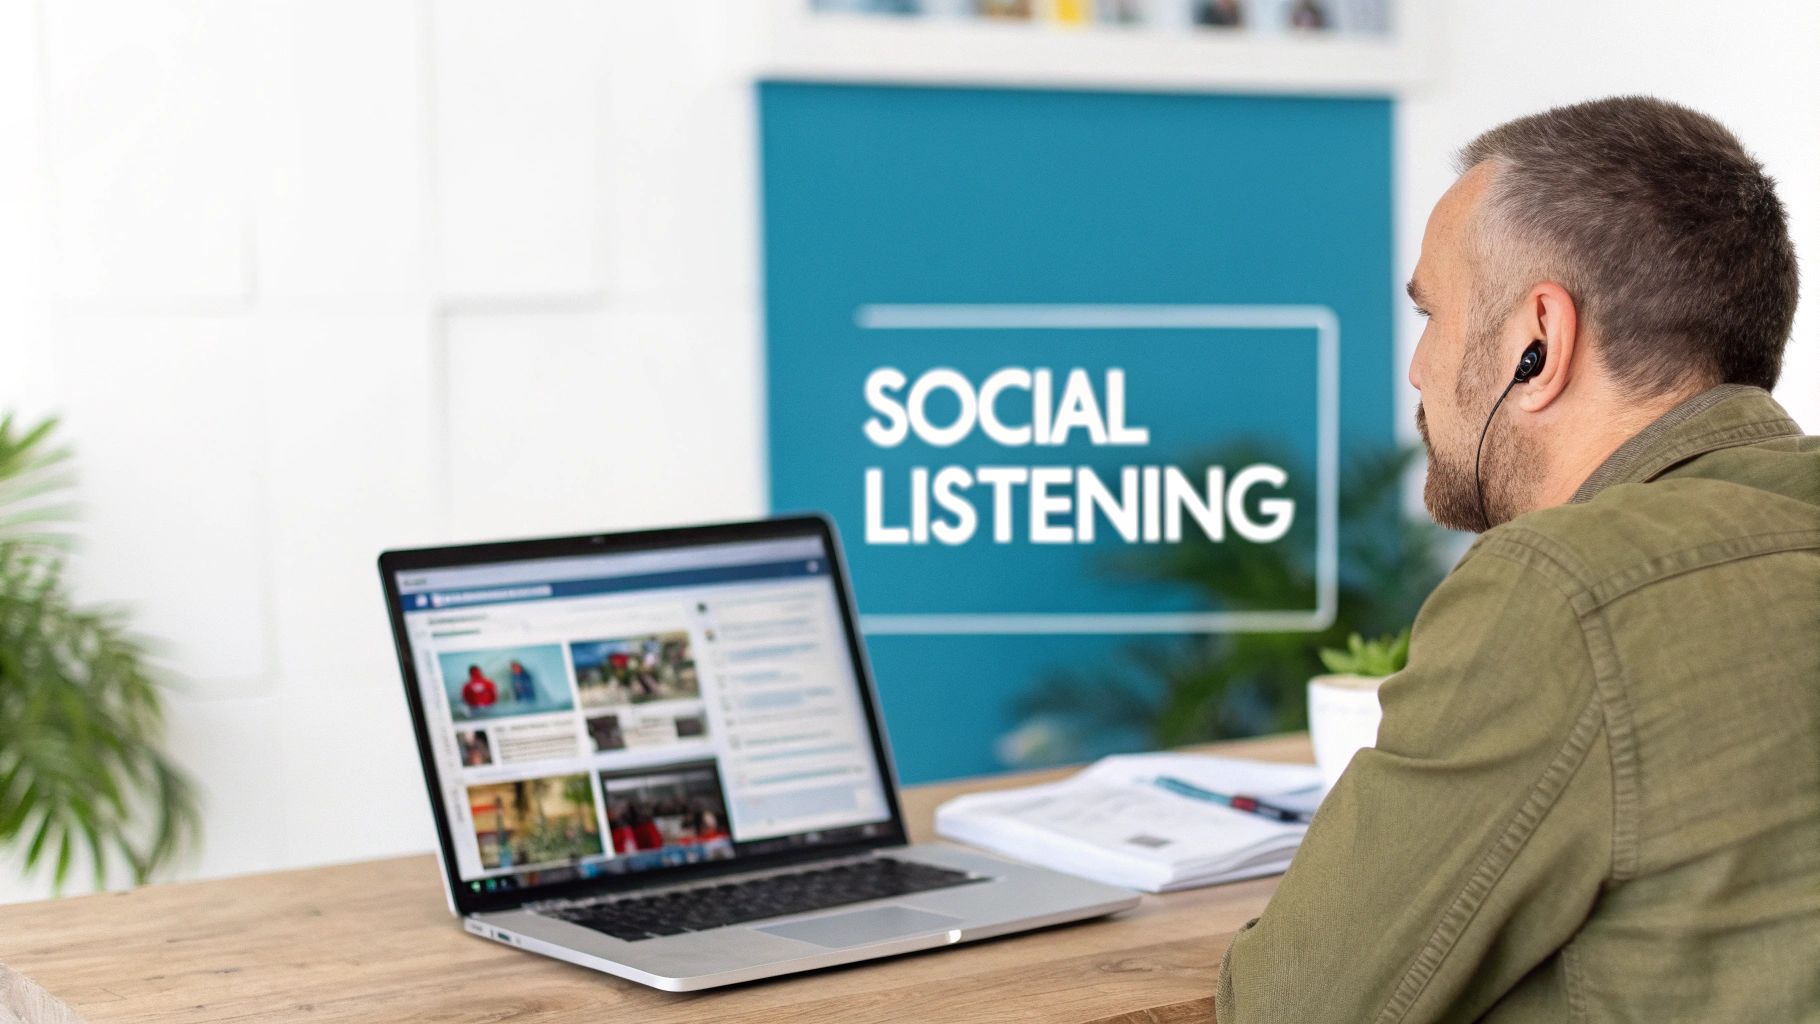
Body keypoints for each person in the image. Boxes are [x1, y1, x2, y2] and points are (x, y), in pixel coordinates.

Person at [1216, 96, 1819, 1022]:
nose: (1417, 369)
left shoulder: (1563, 592)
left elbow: (1285, 1011)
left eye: (1430, 313)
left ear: (1540, 340)